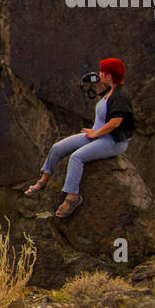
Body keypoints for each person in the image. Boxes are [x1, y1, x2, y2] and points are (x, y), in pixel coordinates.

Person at [23, 57, 135, 217]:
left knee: (76, 158)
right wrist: (97, 85)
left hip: (112, 140)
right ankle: (44, 179)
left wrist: (96, 133)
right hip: (97, 135)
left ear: (109, 76)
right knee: (58, 147)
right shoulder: (111, 91)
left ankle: (72, 197)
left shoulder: (121, 95)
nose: (100, 73)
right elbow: (104, 105)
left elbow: (116, 121)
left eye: (102, 72)